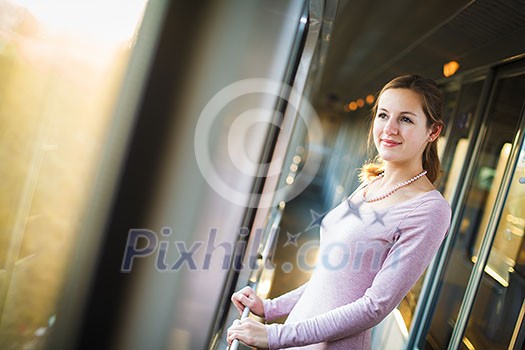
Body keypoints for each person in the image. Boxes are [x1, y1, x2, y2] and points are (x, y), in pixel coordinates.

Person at [226, 74, 452, 349]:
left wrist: (275, 336)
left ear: (433, 131)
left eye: (405, 119)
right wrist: (270, 307)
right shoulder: (372, 183)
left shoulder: (429, 209)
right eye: (383, 115)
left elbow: (374, 307)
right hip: (299, 339)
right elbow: (329, 280)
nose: (389, 128)